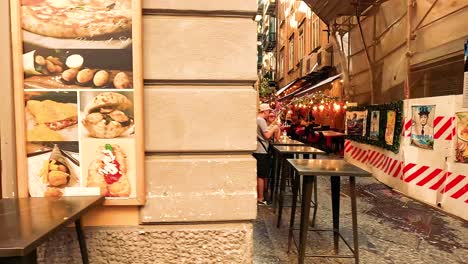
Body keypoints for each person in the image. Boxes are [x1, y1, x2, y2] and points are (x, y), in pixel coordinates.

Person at [254, 103, 280, 205]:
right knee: (261, 175)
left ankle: (260, 196)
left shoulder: (257, 119)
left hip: (258, 150)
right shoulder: (261, 120)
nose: (269, 113)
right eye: (268, 111)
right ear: (264, 111)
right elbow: (267, 135)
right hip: (261, 151)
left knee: (260, 175)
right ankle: (260, 198)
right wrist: (274, 128)